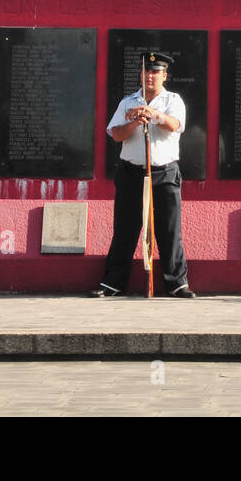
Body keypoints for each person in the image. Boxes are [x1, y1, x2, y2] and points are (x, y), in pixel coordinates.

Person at [92, 51, 196, 298]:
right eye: (146, 72)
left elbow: (175, 125)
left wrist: (153, 115)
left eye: (155, 72)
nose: (150, 76)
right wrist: (136, 121)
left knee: (169, 230)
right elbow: (116, 134)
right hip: (131, 173)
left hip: (164, 173)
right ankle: (113, 283)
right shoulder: (128, 102)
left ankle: (177, 283)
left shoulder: (173, 100)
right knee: (125, 229)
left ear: (164, 76)